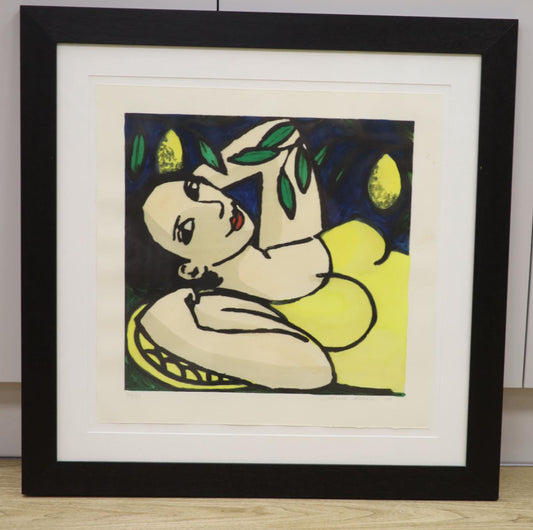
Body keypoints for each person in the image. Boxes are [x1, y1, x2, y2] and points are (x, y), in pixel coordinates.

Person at [129, 119, 408, 391]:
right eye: (188, 228)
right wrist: (175, 311)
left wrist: (202, 178)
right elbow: (313, 370)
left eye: (195, 193)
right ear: (190, 270)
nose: (217, 205)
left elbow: (283, 137)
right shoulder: (222, 309)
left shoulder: (287, 240)